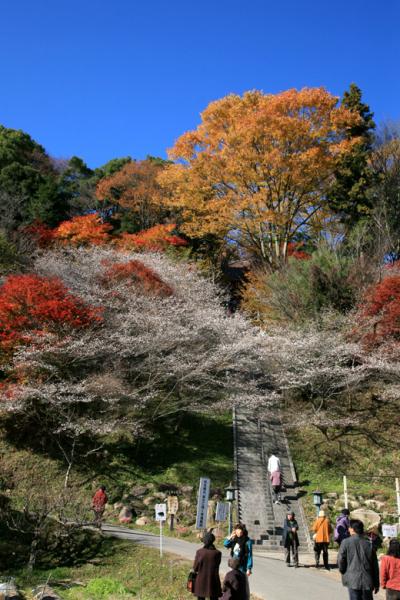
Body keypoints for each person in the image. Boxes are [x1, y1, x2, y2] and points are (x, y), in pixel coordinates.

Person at [338, 518, 379, 600]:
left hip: (352, 580)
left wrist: (343, 570)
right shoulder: (369, 544)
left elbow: (341, 560)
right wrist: (376, 583)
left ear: (352, 529)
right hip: (367, 581)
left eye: (349, 528)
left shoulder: (345, 542)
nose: (348, 529)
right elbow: (375, 566)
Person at [223, 523, 253, 599]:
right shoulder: (234, 539)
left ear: (243, 531)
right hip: (233, 565)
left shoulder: (247, 541)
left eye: (239, 530)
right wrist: (230, 537)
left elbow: (249, 555)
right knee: (233, 582)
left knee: (243, 585)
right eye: (236, 530)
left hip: (242, 566)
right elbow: (225, 544)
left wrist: (249, 568)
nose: (238, 532)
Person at [192, 531, 222, 600]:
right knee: (214, 597)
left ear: (204, 541)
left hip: (201, 580)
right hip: (213, 579)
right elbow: (217, 565)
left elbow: (195, 568)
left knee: (201, 598)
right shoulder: (218, 553)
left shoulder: (200, 552)